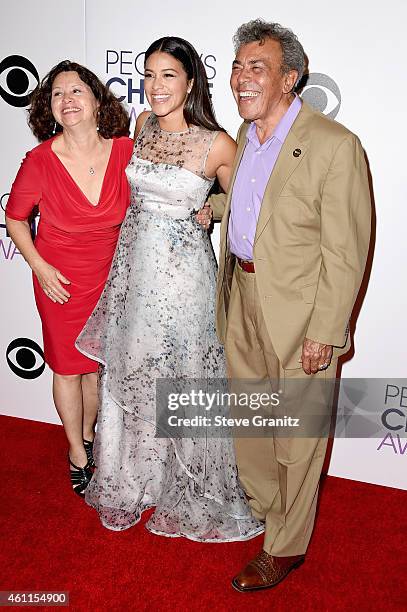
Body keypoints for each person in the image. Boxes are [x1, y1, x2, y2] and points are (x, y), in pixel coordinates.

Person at [202, 19, 371, 590]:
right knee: (251, 422)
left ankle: (285, 547)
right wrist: (215, 209)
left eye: (258, 68)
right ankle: (267, 509)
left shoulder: (334, 144)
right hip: (242, 297)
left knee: (297, 436)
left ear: (290, 79)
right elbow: (259, 205)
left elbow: (346, 251)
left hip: (302, 316)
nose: (241, 79)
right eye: (238, 66)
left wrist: (327, 328)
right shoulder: (248, 134)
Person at [76, 36, 263, 542]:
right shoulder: (142, 127)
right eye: (149, 75)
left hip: (185, 281)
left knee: (179, 375)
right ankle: (137, 477)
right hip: (136, 273)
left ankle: (189, 482)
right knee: (135, 365)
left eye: (168, 76)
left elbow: (248, 201)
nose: (155, 87)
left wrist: (212, 209)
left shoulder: (218, 142)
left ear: (190, 81)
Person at [6, 61, 133, 497]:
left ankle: (90, 438)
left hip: (110, 282)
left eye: (77, 91)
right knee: (66, 368)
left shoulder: (126, 152)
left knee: (96, 370)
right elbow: (15, 219)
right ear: (50, 108)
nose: (67, 100)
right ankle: (77, 455)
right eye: (58, 94)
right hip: (59, 281)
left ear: (98, 100)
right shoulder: (40, 161)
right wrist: (40, 268)